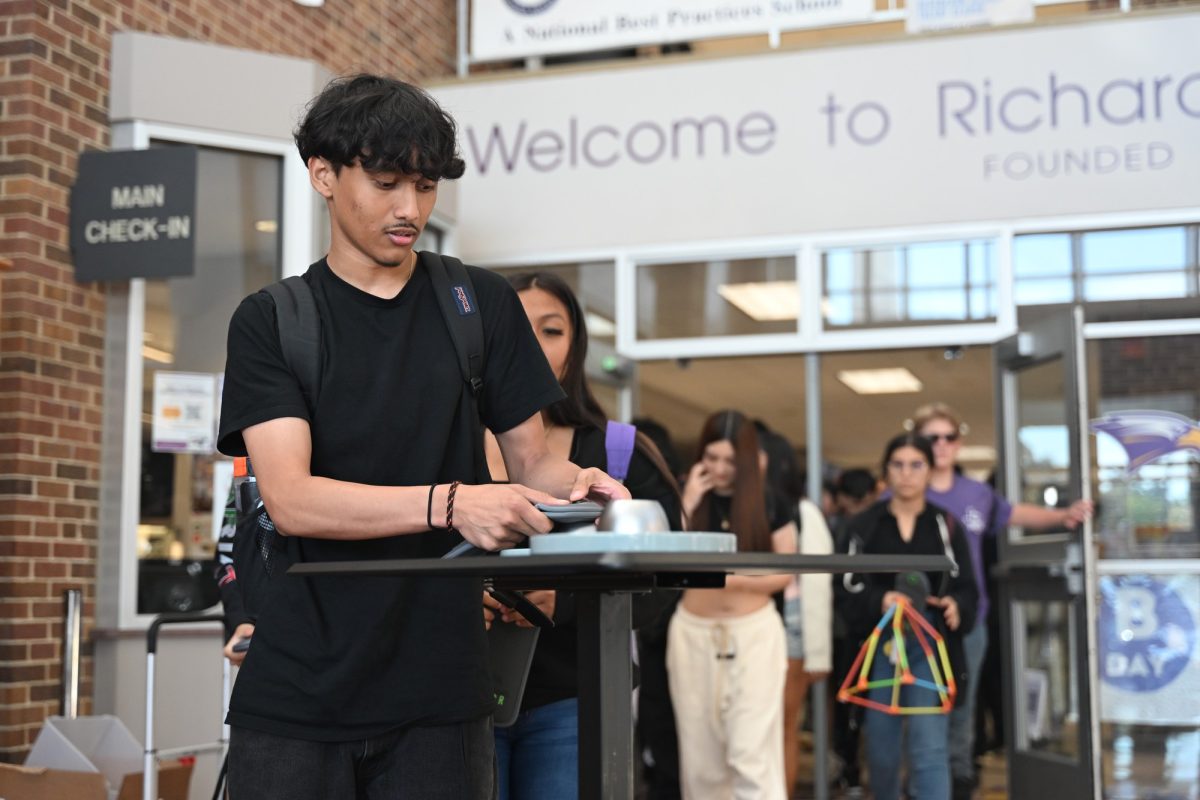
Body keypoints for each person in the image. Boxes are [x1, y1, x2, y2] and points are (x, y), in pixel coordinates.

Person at [215, 74, 629, 799]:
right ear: (323, 175)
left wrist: (585, 487)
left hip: (443, 697)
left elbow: (533, 459)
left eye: (426, 185)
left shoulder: (480, 304)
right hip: (298, 697)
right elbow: (291, 499)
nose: (410, 210)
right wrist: (451, 503)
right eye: (385, 183)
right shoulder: (273, 321)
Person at [481, 271, 683, 800]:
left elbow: (665, 577)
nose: (532, 346)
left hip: (577, 696)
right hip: (459, 694)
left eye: (551, 330)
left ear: (577, 348)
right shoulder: (441, 446)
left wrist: (565, 600)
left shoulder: (617, 454)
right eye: (516, 329)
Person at [909, 402, 1092, 799]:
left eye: (948, 437)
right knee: (919, 711)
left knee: (963, 706)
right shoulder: (904, 490)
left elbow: (1016, 514)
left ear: (958, 444)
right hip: (914, 623)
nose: (940, 445)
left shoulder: (976, 493)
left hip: (968, 621)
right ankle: (924, 784)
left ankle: (958, 781)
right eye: (931, 437)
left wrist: (1063, 516)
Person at [837, 433, 979, 800]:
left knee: (929, 749)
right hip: (878, 645)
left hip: (928, 645)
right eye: (897, 465)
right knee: (882, 752)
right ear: (885, 472)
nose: (906, 474)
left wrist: (955, 606)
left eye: (916, 465)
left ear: (930, 471)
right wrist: (880, 599)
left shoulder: (946, 526)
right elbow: (844, 587)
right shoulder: (862, 527)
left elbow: (968, 588)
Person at [670, 410, 798, 800]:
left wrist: (725, 578)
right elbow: (662, 556)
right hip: (693, 634)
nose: (720, 469)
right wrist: (688, 500)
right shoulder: (685, 496)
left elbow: (786, 571)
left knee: (750, 754)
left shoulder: (770, 502)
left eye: (730, 460)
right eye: (711, 458)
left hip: (753, 635)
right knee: (701, 761)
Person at [754, 423, 833, 798]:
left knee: (784, 726)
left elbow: (819, 585)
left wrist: (819, 653)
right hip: (752, 622)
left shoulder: (803, 511)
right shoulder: (747, 507)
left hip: (793, 627)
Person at [828, 467, 878, 797]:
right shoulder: (847, 527)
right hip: (850, 631)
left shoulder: (837, 527)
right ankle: (852, 768)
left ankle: (852, 771)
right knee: (854, 706)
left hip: (850, 632)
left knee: (853, 706)